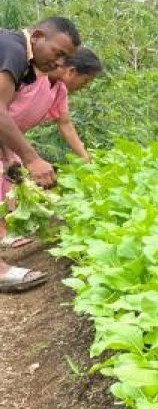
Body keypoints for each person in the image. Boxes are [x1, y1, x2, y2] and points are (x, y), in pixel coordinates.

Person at [0, 16, 80, 293]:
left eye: (65, 59)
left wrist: (9, 155)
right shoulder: (12, 49)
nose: (59, 64)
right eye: (57, 53)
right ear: (36, 37)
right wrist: (32, 158)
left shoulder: (21, 59)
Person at [0, 48, 103, 251]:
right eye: (85, 81)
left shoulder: (59, 91)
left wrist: (87, 159)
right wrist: (8, 154)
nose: (83, 87)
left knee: (12, 181)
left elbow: (65, 123)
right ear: (71, 71)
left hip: (10, 144)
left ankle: (7, 231)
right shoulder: (30, 80)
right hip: (5, 137)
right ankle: (3, 236)